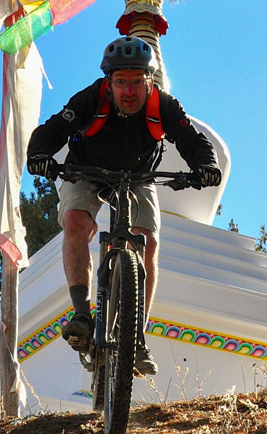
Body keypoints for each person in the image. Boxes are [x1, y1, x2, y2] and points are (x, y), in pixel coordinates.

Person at [27, 35, 221, 376]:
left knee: (149, 242)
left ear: (149, 82)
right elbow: (52, 130)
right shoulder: (90, 98)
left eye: (137, 82)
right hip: (85, 171)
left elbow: (193, 141)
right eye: (121, 82)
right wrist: (39, 155)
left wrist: (206, 165)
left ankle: (137, 337)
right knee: (75, 222)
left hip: (139, 177)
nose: (129, 91)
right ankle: (82, 314)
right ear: (108, 82)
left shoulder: (164, 106)